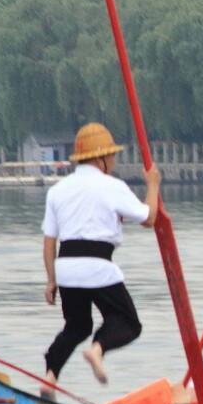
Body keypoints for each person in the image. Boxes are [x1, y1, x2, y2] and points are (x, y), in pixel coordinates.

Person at [42, 123, 161, 390]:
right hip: (97, 267)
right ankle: (97, 350)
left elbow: (49, 241)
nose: (114, 160)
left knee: (77, 326)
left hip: (66, 268)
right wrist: (153, 184)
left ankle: (49, 377)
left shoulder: (57, 190)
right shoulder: (112, 186)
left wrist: (51, 281)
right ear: (101, 158)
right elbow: (149, 218)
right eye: (112, 155)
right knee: (128, 323)